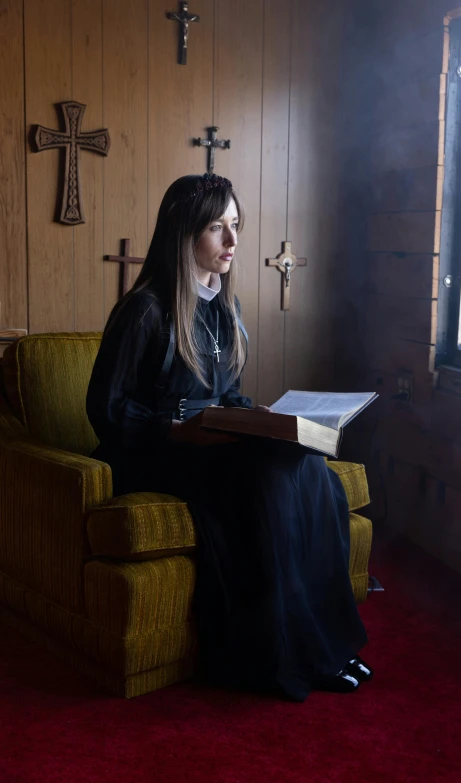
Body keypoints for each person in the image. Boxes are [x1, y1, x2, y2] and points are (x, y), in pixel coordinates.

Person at [86, 173, 372, 702]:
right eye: (217, 228)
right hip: (152, 452)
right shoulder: (145, 309)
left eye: (235, 226)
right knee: (265, 480)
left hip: (211, 441)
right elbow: (106, 411)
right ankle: (278, 657)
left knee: (308, 468)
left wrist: (254, 416)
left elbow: (228, 393)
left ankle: (324, 646)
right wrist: (176, 430)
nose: (233, 242)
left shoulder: (226, 308)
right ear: (184, 233)